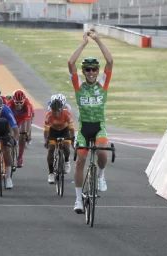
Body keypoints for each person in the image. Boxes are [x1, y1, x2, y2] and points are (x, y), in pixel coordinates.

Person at [68, 28, 113, 213]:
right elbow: (70, 62)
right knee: (80, 160)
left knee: (102, 152)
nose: (91, 72)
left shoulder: (103, 83)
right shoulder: (79, 85)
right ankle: (78, 200)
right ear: (83, 72)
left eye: (94, 69)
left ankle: (101, 176)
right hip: (84, 128)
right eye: (87, 69)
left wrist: (98, 40)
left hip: (99, 127)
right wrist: (84, 43)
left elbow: (110, 61)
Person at [0, 95, 19, 189]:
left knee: (6, 150)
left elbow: (16, 131)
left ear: (2, 107)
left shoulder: (7, 111)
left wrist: (13, 140)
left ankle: (8, 178)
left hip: (5, 129)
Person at [44, 98, 75, 184]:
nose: (56, 112)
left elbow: (71, 129)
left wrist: (72, 139)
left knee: (66, 147)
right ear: (51, 109)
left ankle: (67, 161)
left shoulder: (67, 114)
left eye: (58, 110)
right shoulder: (49, 115)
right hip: (53, 132)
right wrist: (46, 140)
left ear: (62, 108)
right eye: (54, 110)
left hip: (64, 131)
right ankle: (51, 173)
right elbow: (46, 131)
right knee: (51, 149)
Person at [6, 89, 33, 168]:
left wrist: (27, 134)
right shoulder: (9, 104)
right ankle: (9, 152)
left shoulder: (28, 105)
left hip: (22, 120)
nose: (19, 105)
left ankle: (20, 157)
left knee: (23, 134)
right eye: (17, 103)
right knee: (10, 134)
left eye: (21, 103)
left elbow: (28, 121)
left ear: (24, 100)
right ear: (13, 100)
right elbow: (7, 120)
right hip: (12, 119)